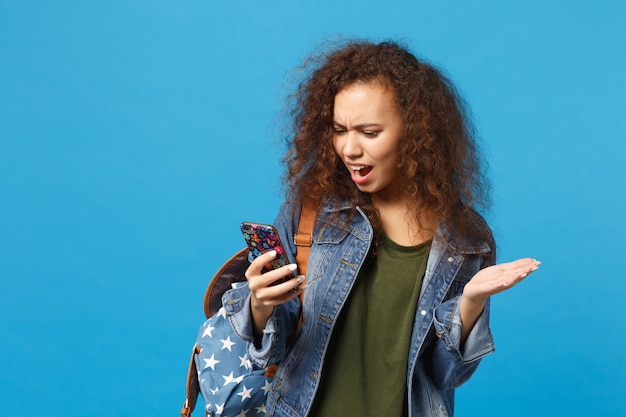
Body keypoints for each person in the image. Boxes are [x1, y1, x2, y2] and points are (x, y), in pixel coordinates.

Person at [223, 39, 540, 417]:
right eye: (339, 129)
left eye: (369, 132)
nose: (349, 149)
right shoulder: (309, 212)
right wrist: (259, 304)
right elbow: (270, 352)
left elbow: (446, 374)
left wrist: (470, 302)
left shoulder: (465, 240)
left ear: (415, 131)